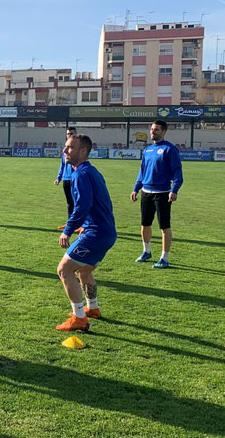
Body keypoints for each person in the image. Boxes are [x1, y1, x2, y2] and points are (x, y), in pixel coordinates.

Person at [55, 134, 117, 332]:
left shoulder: (81, 174)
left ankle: (79, 318)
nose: (65, 151)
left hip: (96, 233)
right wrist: (87, 223)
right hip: (105, 231)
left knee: (64, 270)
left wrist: (68, 229)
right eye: (65, 147)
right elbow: (101, 203)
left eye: (70, 148)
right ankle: (93, 308)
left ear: (83, 151)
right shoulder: (91, 171)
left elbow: (82, 205)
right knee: (84, 270)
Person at [131, 120, 183, 269]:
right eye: (152, 129)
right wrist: (136, 188)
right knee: (145, 224)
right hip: (146, 192)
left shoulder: (170, 149)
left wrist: (175, 189)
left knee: (164, 226)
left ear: (164, 132)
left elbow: (177, 171)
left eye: (157, 130)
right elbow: (142, 171)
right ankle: (146, 251)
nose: (153, 132)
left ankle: (164, 258)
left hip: (163, 193)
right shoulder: (147, 150)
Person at [54, 127, 77, 229]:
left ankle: (80, 224)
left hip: (74, 179)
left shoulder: (77, 149)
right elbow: (62, 165)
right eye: (68, 134)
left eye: (72, 133)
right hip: (65, 179)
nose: (69, 135)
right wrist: (59, 178)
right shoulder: (65, 150)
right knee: (69, 203)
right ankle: (69, 224)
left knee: (77, 202)